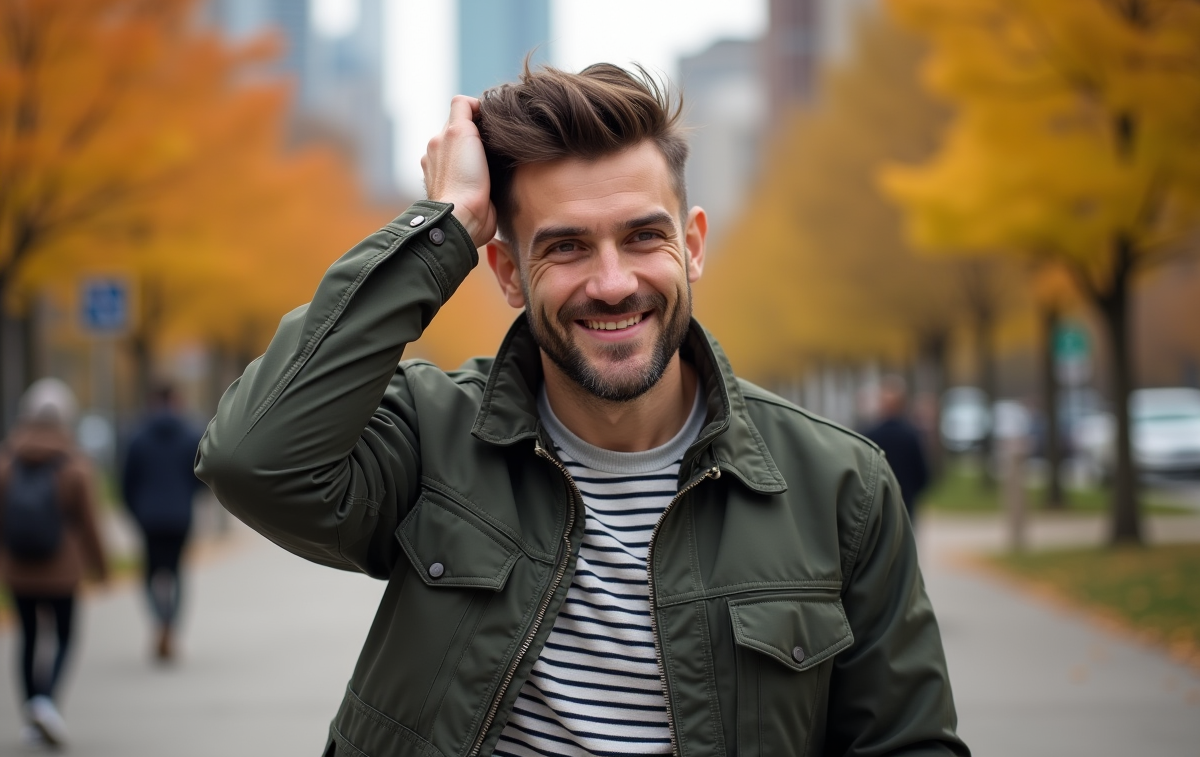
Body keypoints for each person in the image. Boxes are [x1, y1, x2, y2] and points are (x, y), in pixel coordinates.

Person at [198, 63, 968, 757]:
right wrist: (440, 230)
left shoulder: (843, 486)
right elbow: (253, 459)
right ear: (504, 271)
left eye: (643, 237)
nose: (611, 282)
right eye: (565, 247)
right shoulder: (430, 436)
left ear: (692, 247)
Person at [0, 378, 108, 748]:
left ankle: (32, 714)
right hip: (63, 571)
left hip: (17, 569)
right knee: (64, 636)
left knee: (28, 637)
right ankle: (46, 702)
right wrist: (102, 568)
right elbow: (90, 524)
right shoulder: (75, 464)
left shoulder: (6, 461)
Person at [122, 382, 204, 662]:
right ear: (175, 400)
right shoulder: (190, 434)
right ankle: (171, 627)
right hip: (180, 517)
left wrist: (136, 511)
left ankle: (160, 622)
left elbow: (127, 482)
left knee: (149, 574)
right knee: (177, 572)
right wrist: (187, 498)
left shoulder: (138, 436)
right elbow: (202, 475)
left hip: (149, 518)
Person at [864, 376, 932, 524]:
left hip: (877, 504)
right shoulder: (912, 435)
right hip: (905, 501)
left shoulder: (869, 435)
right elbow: (922, 474)